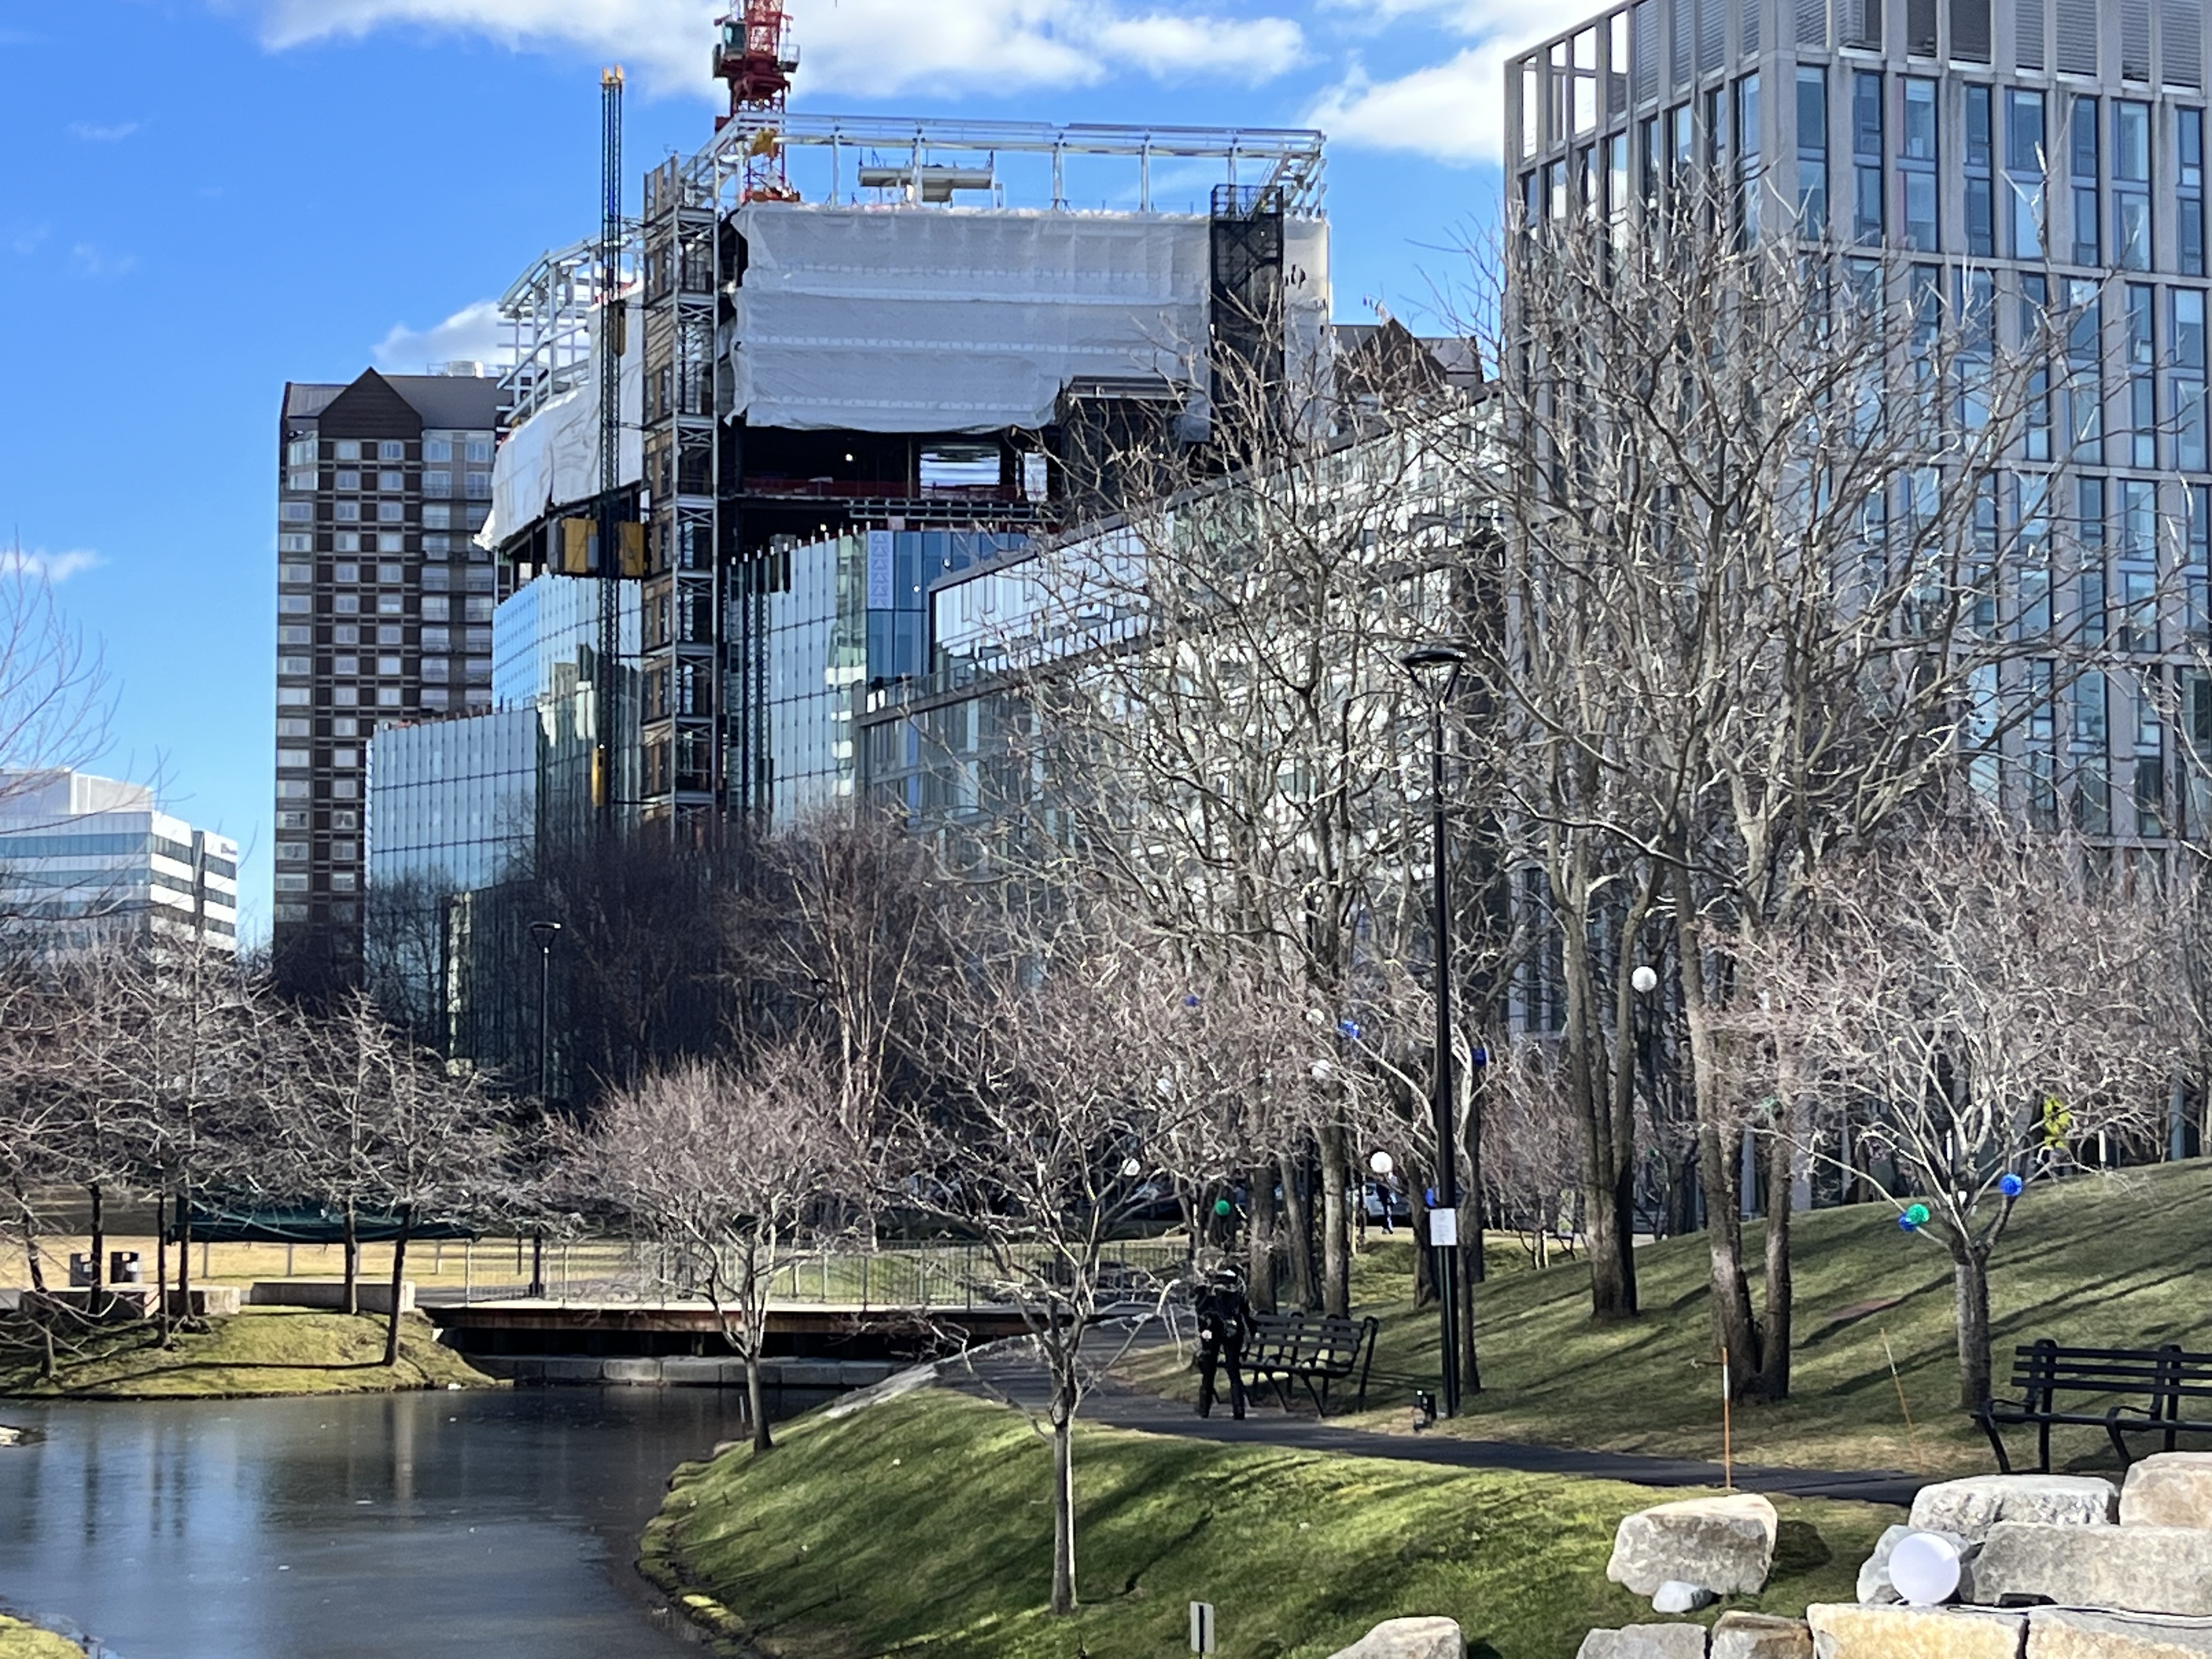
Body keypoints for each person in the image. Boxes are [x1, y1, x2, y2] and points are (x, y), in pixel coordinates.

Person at [1192, 1265, 1251, 1419]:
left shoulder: (1209, 1294)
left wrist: (1204, 1330)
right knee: (1233, 1370)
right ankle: (1239, 1409)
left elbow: (1200, 1312)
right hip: (1233, 1332)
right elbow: (1247, 1315)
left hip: (1214, 1332)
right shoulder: (1237, 1294)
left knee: (1209, 1369)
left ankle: (1204, 1408)